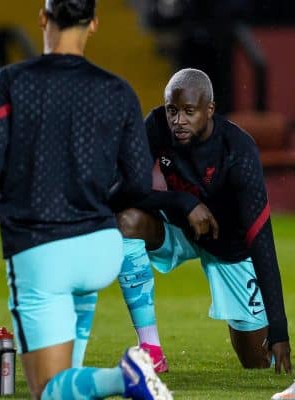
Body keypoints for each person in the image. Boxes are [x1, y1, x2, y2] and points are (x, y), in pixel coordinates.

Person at [0, 1, 172, 399]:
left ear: (44, 18)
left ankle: (125, 376)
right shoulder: (118, 90)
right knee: (69, 381)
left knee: (47, 389)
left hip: (42, 253)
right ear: (93, 23)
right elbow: (136, 183)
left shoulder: (13, 81)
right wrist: (95, 197)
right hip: (100, 249)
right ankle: (122, 376)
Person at [116, 68, 291, 375]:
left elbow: (262, 242)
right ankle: (151, 350)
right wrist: (182, 202)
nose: (177, 121)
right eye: (172, 110)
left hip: (231, 250)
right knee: (127, 221)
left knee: (257, 361)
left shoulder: (238, 151)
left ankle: (265, 339)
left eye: (188, 112)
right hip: (181, 231)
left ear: (210, 110)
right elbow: (120, 194)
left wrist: (280, 330)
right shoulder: (157, 126)